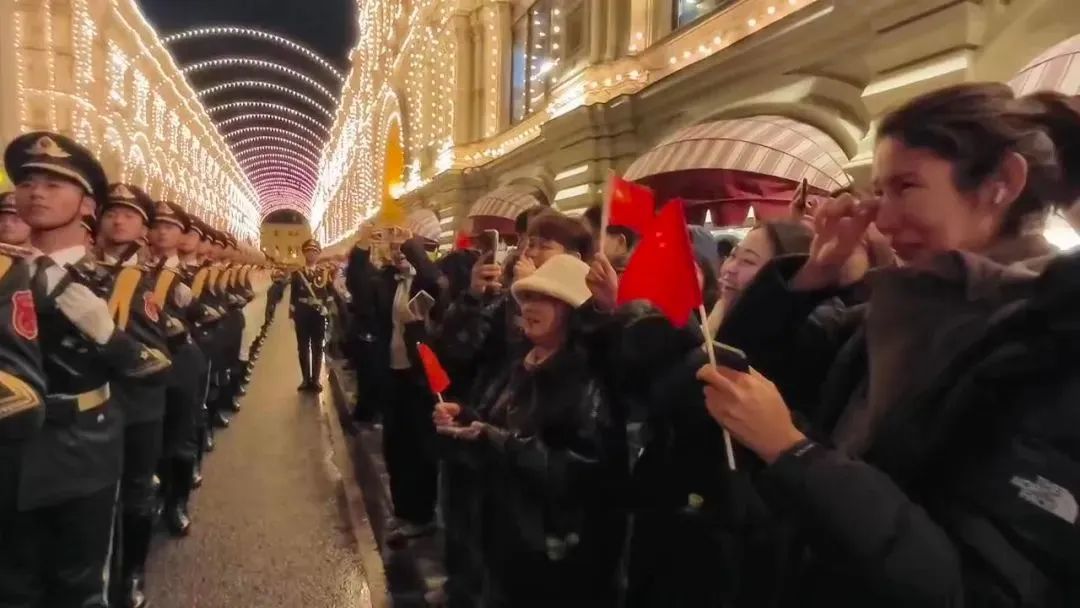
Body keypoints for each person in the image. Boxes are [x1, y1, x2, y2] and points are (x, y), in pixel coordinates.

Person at [702, 83, 1080, 606]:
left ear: (1002, 183)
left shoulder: (1053, 341)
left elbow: (982, 587)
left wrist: (795, 453)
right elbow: (733, 370)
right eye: (879, 192)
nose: (880, 219)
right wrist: (813, 276)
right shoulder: (898, 310)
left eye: (906, 187)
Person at [0, 132, 171, 607]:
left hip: (82, 444)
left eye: (54, 185)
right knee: (12, 587)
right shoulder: (5, 273)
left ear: (87, 204)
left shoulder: (117, 280)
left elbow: (155, 366)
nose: (36, 193)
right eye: (27, 182)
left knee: (78, 588)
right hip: (9, 450)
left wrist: (107, 335)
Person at [435, 254, 627, 608]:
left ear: (573, 312)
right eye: (527, 297)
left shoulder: (586, 381)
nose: (530, 307)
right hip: (502, 541)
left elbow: (579, 470)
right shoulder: (519, 365)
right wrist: (465, 418)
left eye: (546, 299)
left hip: (551, 555)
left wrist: (496, 441)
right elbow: (498, 428)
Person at [96, 183, 173, 608]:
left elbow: (157, 352)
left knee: (136, 489)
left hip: (137, 404)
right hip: (92, 407)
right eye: (111, 213)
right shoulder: (74, 273)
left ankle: (132, 573)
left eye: (129, 215)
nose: (118, 221)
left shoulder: (143, 284)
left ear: (142, 228)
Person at [147, 200, 208, 540]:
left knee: (180, 436)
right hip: (143, 364)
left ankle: (177, 502)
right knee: (150, 435)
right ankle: (154, 495)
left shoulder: (186, 274)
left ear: (181, 234)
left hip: (180, 360)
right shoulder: (132, 269)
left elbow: (198, 313)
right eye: (156, 225)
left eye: (169, 227)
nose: (161, 232)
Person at [291, 238, 330, 392]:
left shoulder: (324, 273)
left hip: (318, 314)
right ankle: (305, 379)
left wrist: (326, 308)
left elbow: (329, 294)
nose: (311, 254)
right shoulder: (297, 274)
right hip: (302, 313)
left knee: (317, 346)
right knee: (302, 347)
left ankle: (316, 380)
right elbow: (293, 296)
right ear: (304, 253)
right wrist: (292, 315)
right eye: (308, 251)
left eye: (314, 252)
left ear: (318, 254)